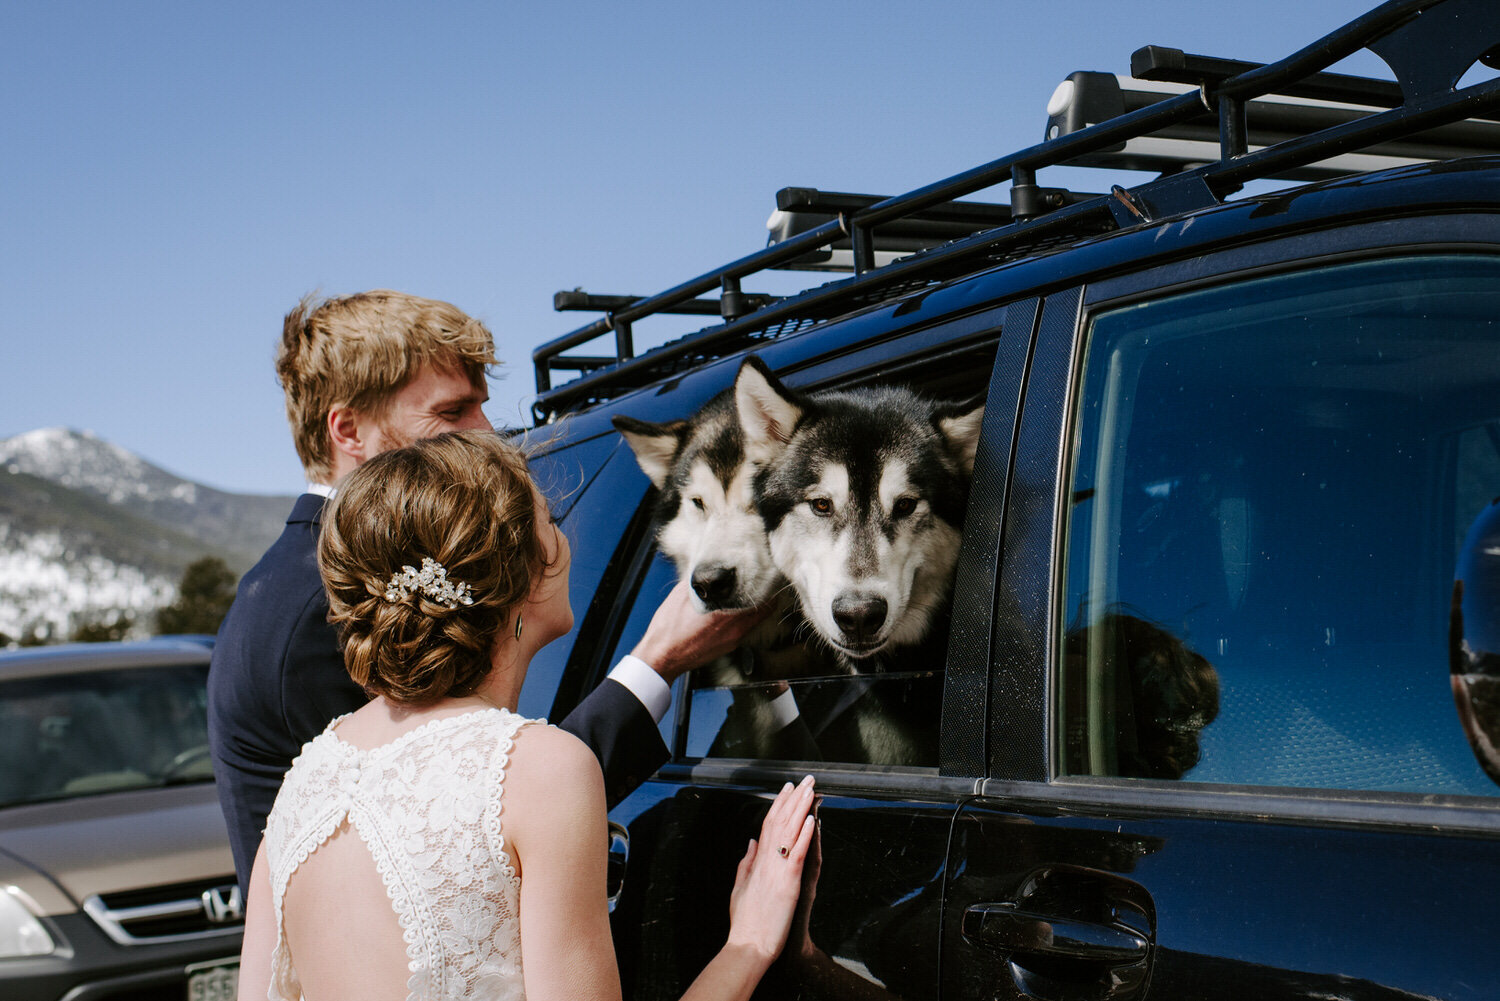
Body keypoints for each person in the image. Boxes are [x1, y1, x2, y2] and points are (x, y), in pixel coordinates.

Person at [209, 290, 767, 895]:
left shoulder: (326, 577)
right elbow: (457, 837)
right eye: (452, 414)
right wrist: (658, 661)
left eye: (482, 406)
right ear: (348, 430)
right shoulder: (328, 603)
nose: (489, 433)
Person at [236, 430, 816, 1001]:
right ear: (525, 572)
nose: (566, 544)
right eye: (551, 524)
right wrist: (750, 945)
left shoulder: (303, 786)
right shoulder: (541, 769)